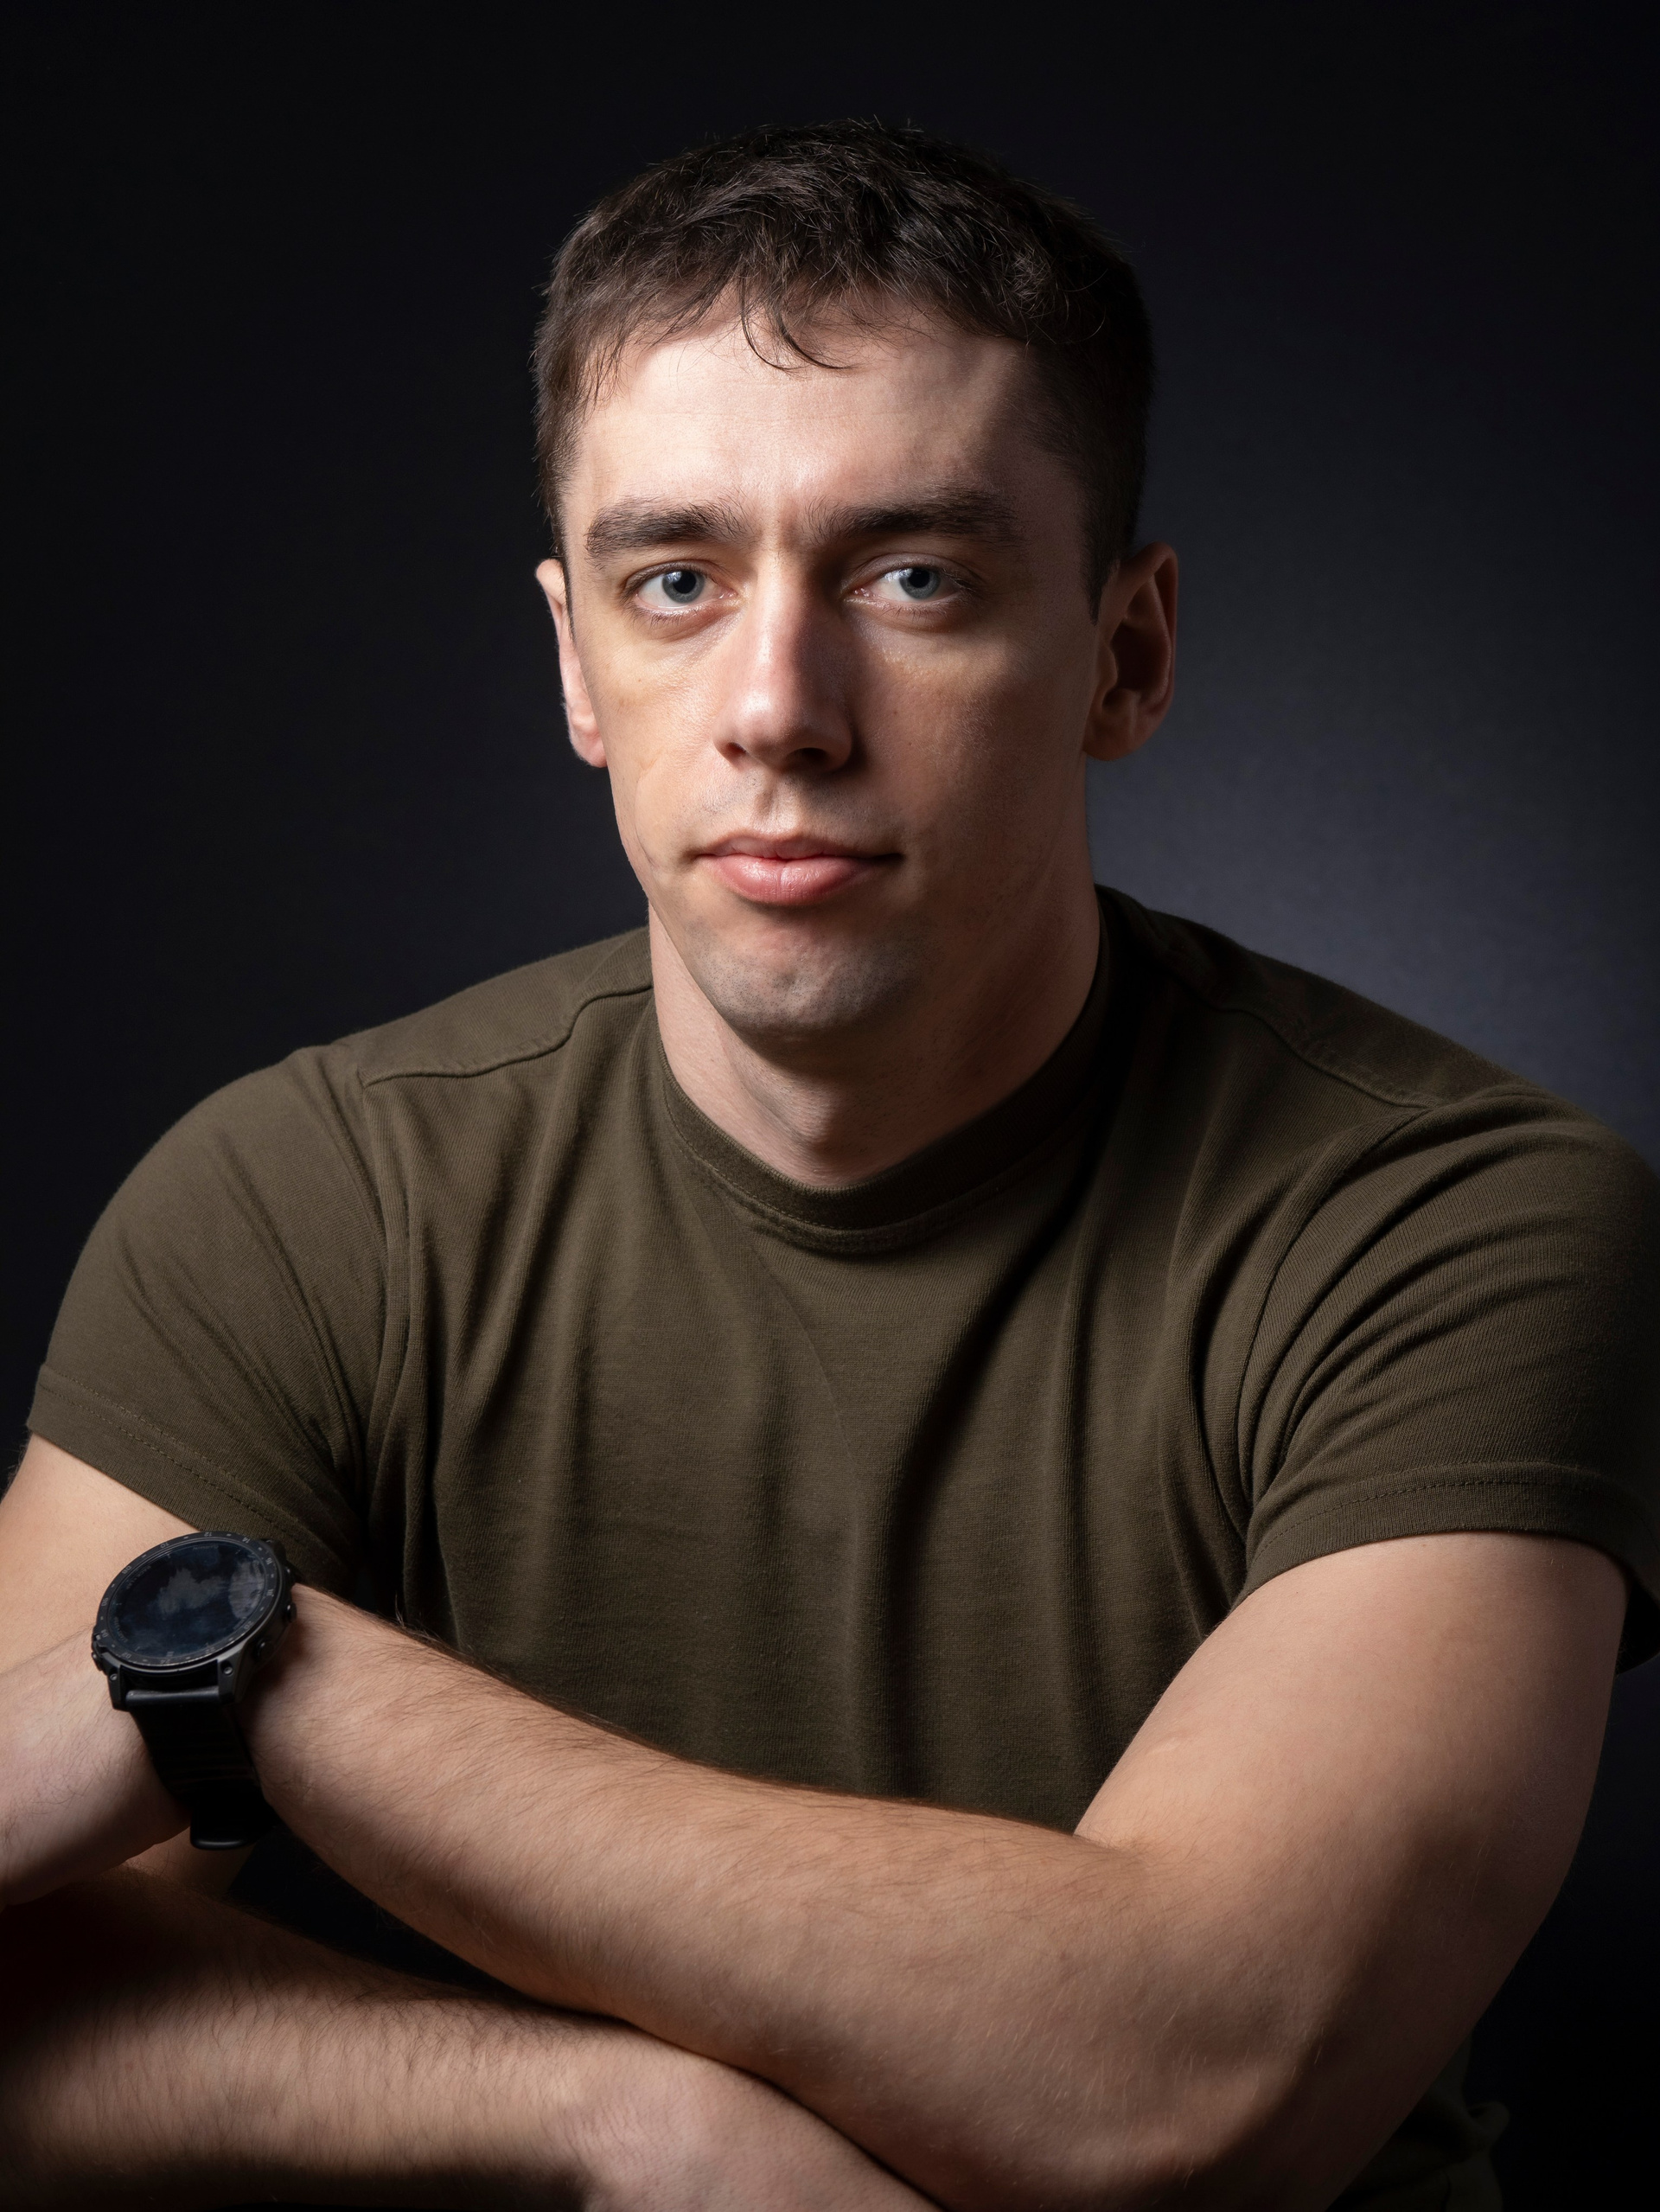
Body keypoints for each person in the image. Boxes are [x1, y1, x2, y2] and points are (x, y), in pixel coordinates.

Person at [2, 118, 1655, 2211]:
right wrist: (621, 2126)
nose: (779, 707)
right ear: (576, 661)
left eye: (915, 577)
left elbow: (1196, 2082)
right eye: (676, 583)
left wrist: (283, 1686)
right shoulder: (305, 1200)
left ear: (1127, 653)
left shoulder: (1459, 1222)